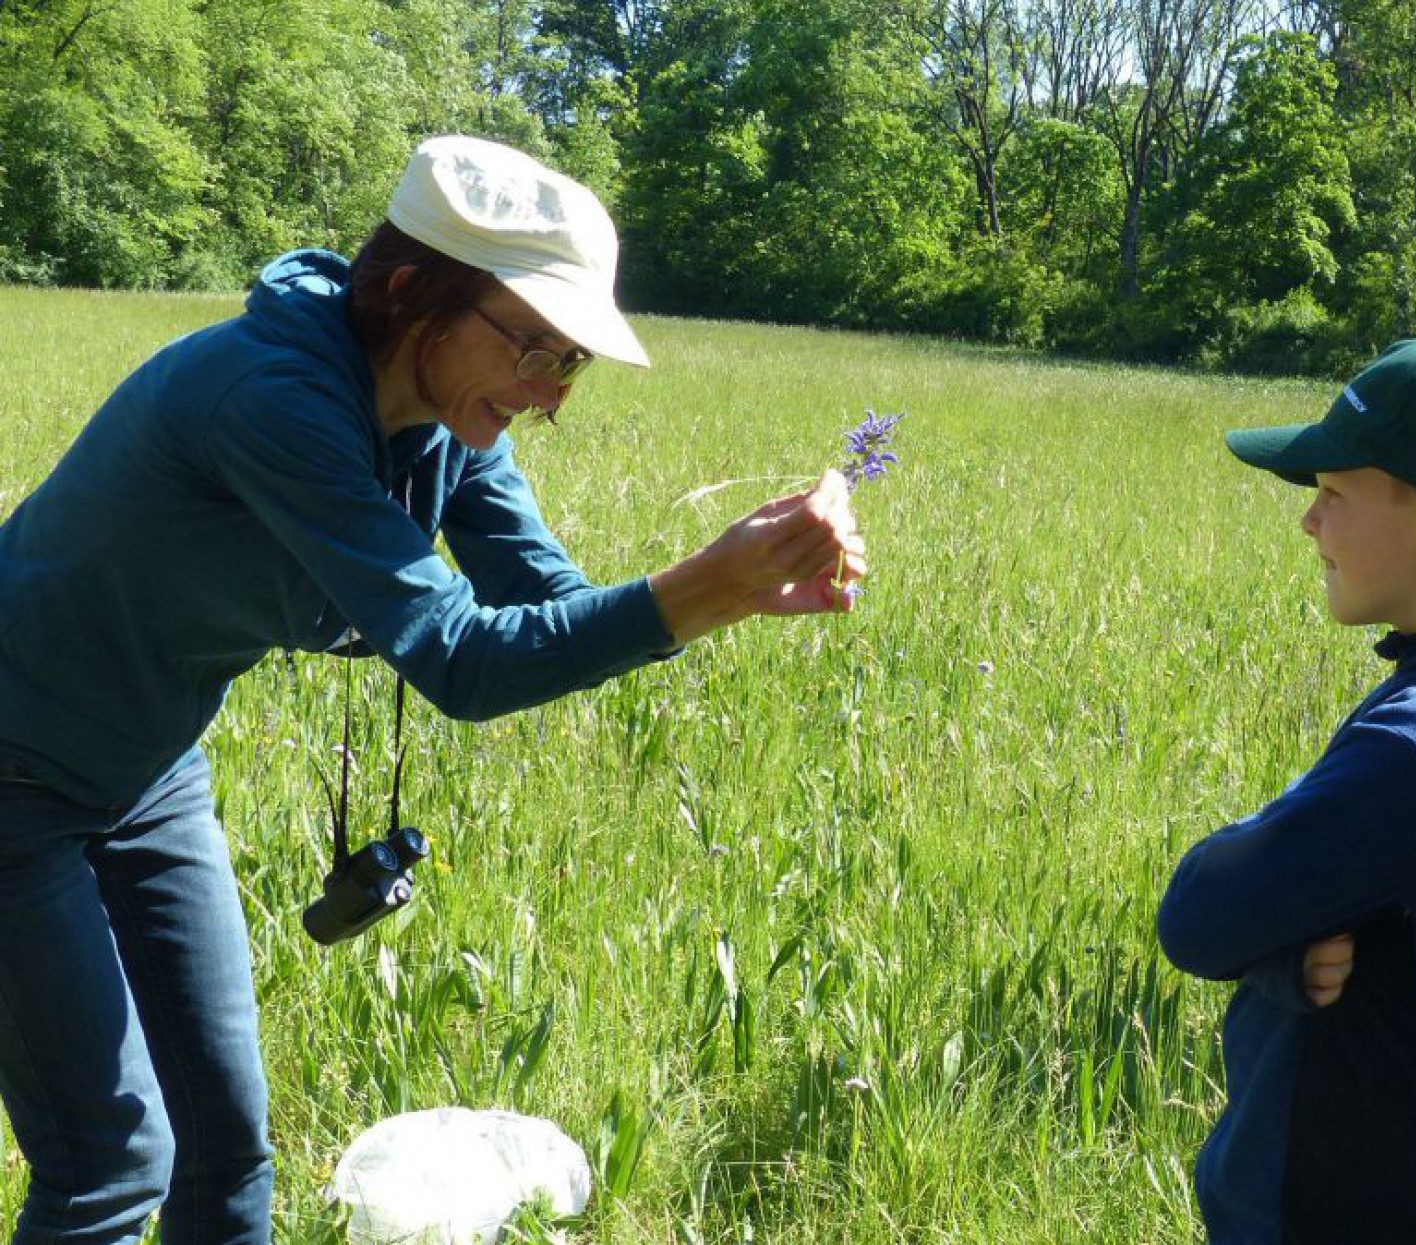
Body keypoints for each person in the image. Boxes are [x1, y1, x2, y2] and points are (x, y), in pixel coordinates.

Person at [0, 135, 865, 1244]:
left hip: (149, 767)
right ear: (414, 295)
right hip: (17, 772)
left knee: (228, 1148)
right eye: (532, 348)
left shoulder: (446, 424)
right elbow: (461, 661)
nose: (548, 393)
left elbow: (536, 595)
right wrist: (701, 586)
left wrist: (729, 595)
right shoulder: (271, 399)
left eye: (571, 363)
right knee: (111, 1166)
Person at [1156, 339, 1416, 1244]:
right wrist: (1289, 952)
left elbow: (1196, 914)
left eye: (1335, 492)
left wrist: (1265, 910)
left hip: (1356, 1200)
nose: (1311, 522)